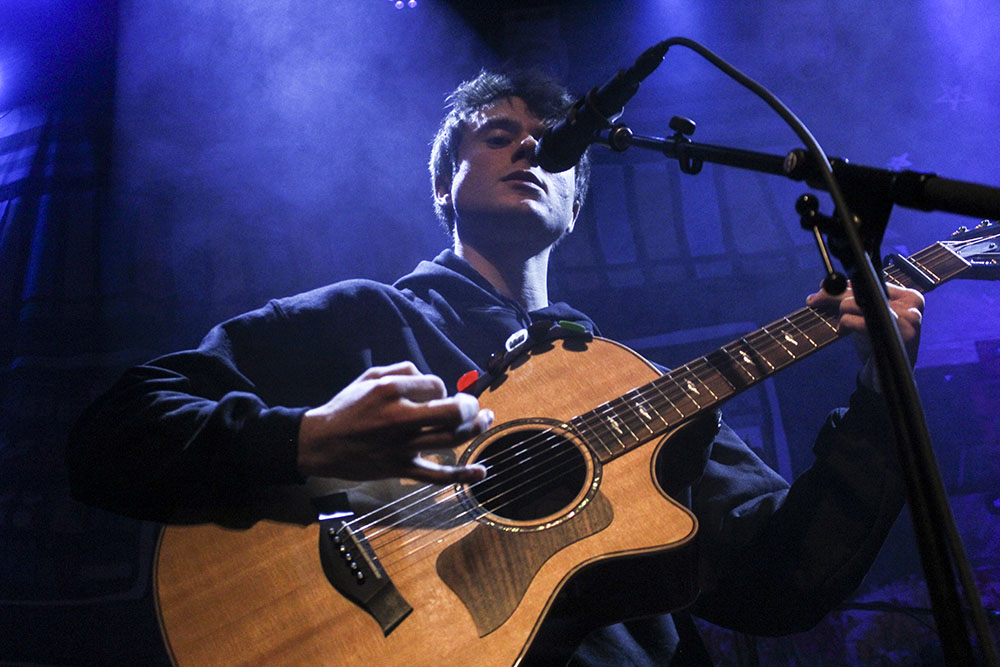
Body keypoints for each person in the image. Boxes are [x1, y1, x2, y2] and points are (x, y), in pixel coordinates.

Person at [67, 70, 924, 665]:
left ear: (575, 201)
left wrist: (882, 400)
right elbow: (115, 432)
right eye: (499, 135)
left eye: (552, 144)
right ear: (443, 184)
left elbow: (784, 582)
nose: (530, 149)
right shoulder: (362, 317)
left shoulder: (639, 385)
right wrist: (309, 439)